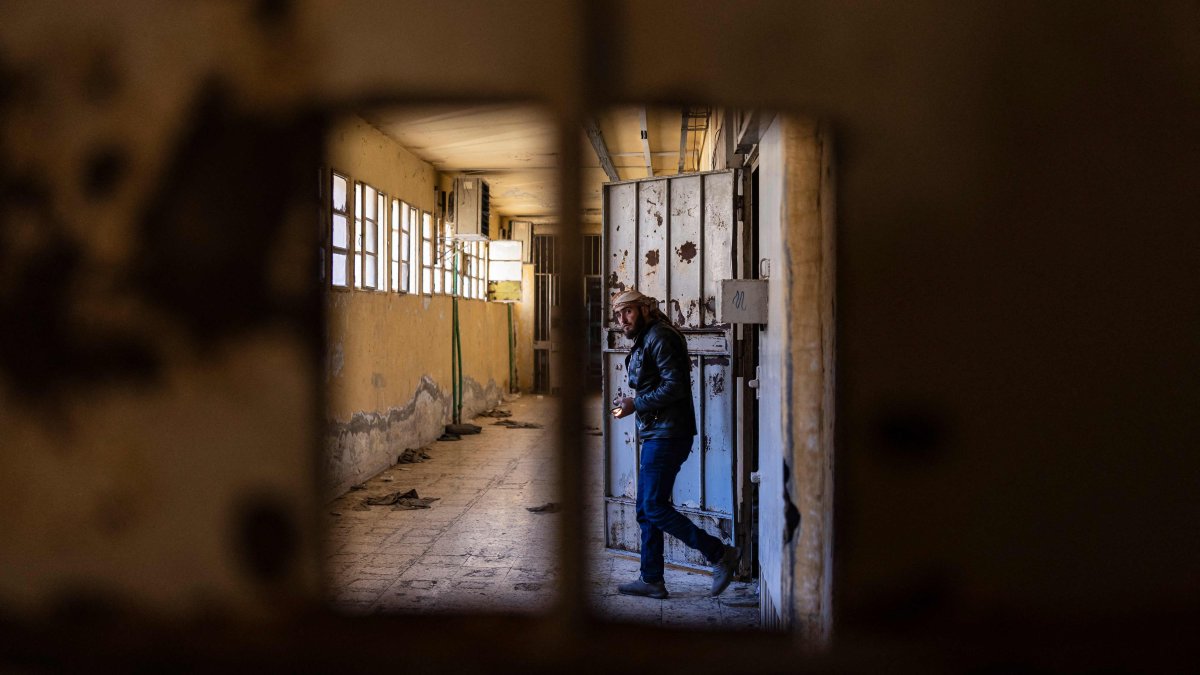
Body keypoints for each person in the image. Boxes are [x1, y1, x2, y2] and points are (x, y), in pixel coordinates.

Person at [609, 288, 740, 599]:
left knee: (653, 506)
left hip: (668, 433)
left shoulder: (660, 336)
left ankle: (719, 553)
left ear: (644, 309)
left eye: (628, 311)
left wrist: (636, 403)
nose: (623, 319)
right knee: (646, 507)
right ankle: (651, 578)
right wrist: (634, 403)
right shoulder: (647, 337)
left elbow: (676, 387)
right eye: (618, 314)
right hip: (659, 430)